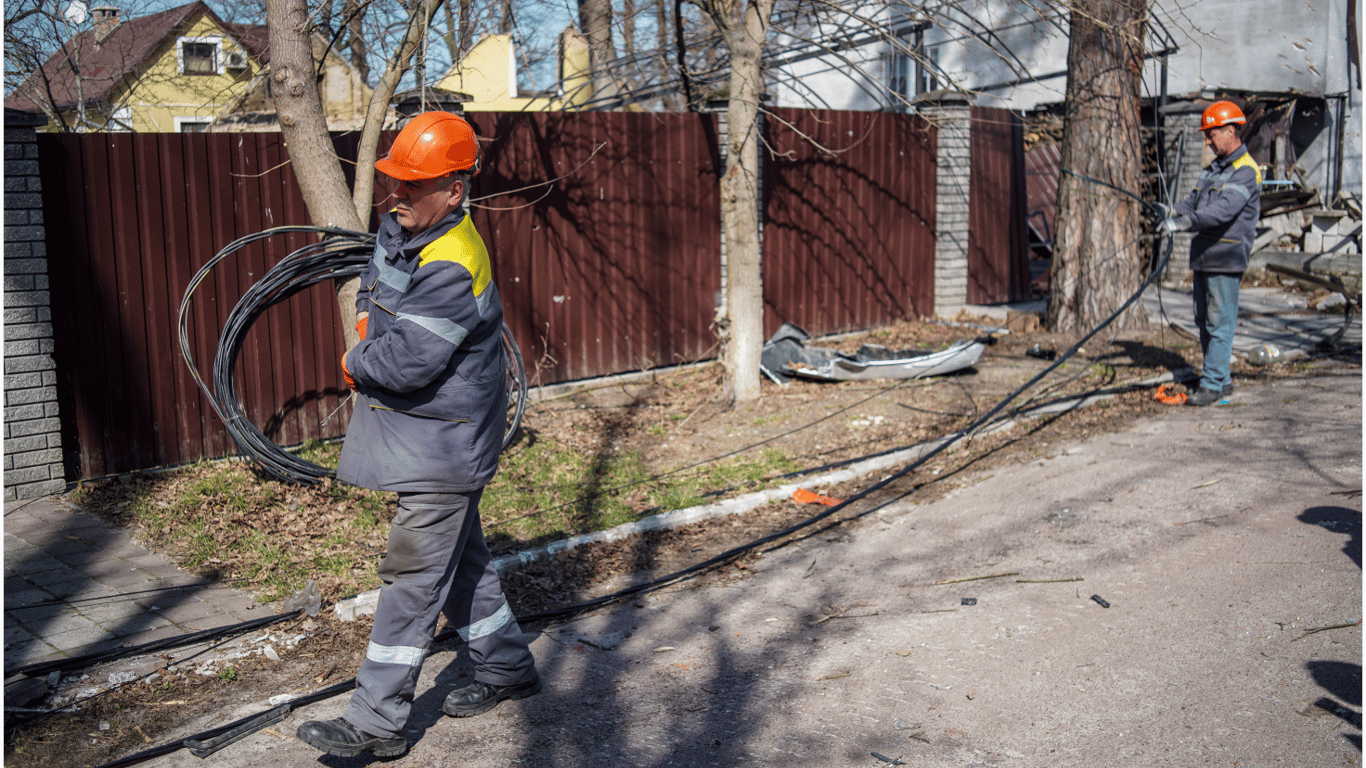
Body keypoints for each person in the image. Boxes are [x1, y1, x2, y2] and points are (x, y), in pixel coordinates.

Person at [296, 111, 540, 759]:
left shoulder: (454, 262)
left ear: (454, 191)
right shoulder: (407, 233)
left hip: (446, 445)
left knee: (410, 579)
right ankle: (507, 664)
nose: (395, 194)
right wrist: (370, 326)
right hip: (432, 436)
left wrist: (355, 362)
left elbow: (405, 361)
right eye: (393, 181)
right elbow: (373, 297)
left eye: (412, 184)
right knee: (462, 564)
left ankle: (375, 722)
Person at [1161, 100, 1263, 407]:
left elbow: (1223, 210)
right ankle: (1222, 379)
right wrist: (1167, 210)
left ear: (1230, 130)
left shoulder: (1246, 171)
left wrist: (1182, 223)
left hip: (1226, 257)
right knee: (1205, 320)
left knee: (1220, 322)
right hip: (1204, 255)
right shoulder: (1212, 170)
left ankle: (1212, 384)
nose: (1207, 140)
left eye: (1211, 134)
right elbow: (1192, 203)